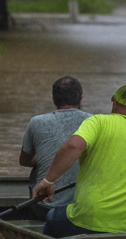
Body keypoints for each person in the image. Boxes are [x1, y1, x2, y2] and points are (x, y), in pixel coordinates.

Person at [31, 83, 126, 238]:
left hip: (91, 220)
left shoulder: (98, 122)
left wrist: (47, 182)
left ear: (114, 103)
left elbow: (74, 145)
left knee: (52, 216)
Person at [20, 76, 90, 219]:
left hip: (44, 209)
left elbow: (24, 161)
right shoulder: (94, 122)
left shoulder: (36, 122)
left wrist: (46, 158)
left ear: (53, 98)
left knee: (36, 171)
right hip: (83, 209)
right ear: (80, 98)